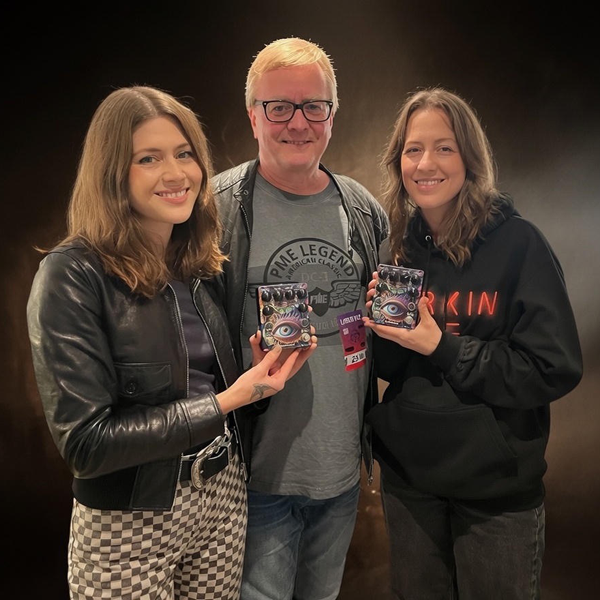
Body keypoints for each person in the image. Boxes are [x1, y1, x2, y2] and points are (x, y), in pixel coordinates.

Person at [26, 85, 316, 600]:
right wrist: (227, 400)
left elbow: (204, 391)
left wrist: (254, 384)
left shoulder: (198, 265)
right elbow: (87, 444)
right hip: (129, 521)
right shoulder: (71, 274)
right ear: (113, 174)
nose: (176, 173)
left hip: (222, 499)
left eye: (184, 154)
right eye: (149, 158)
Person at [363, 87, 583, 599]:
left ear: (470, 158)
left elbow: (553, 367)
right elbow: (397, 369)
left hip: (496, 493)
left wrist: (441, 345)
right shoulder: (396, 247)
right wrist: (381, 330)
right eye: (413, 149)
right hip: (410, 484)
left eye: (444, 147)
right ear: (398, 161)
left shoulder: (519, 243)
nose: (426, 163)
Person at [212, 37, 389, 600]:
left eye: (314, 106)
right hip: (254, 478)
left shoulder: (362, 208)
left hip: (339, 475)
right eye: (279, 107)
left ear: (332, 115)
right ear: (253, 116)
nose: (297, 122)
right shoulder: (215, 209)